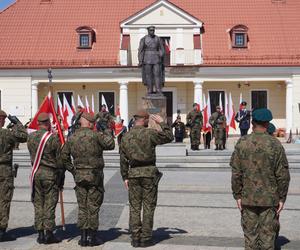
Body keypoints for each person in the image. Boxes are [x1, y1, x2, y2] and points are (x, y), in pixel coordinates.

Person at [230, 108, 290, 250]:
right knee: (268, 240)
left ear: (252, 122)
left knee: (250, 239)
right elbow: (283, 175)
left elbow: (236, 173)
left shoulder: (242, 143)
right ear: (267, 123)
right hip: (270, 200)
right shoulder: (275, 144)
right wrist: (282, 198)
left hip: (247, 198)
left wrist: (237, 195)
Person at [120, 110, 173, 248]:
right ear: (144, 120)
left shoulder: (126, 136)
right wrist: (162, 122)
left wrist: (125, 176)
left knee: (134, 207)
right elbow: (169, 136)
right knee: (148, 206)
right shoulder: (149, 133)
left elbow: (123, 159)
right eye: (148, 119)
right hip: (149, 173)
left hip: (133, 174)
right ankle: (146, 238)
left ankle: (135, 238)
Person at [61, 112, 115, 247]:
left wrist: (73, 170)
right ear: (91, 123)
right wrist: (106, 129)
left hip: (79, 177)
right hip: (94, 177)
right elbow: (111, 144)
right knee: (93, 206)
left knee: (82, 206)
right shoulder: (96, 135)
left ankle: (83, 237)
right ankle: (92, 237)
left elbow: (63, 157)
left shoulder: (72, 137)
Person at [27, 113, 63, 244]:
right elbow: (59, 159)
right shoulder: (53, 138)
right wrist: (61, 175)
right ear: (48, 123)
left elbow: (32, 155)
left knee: (38, 204)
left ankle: (40, 234)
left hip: (36, 173)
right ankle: (49, 234)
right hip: (50, 174)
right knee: (49, 204)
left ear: (38, 123)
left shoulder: (30, 137)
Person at [0, 110, 27, 242]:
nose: (4, 121)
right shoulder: (6, 134)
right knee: (4, 200)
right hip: (4, 170)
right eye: (3, 119)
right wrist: (18, 123)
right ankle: (1, 231)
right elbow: (23, 136)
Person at [138, 26, 165, 95]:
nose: (152, 32)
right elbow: (140, 50)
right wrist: (140, 60)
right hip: (147, 59)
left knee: (157, 75)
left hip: (156, 59)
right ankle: (149, 89)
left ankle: (158, 89)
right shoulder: (143, 39)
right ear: (148, 31)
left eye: (153, 30)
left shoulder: (158, 39)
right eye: (151, 30)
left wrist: (161, 54)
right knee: (148, 75)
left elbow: (162, 49)